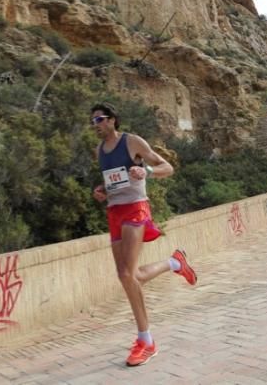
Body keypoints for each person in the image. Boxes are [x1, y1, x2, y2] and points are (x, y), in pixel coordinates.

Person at [91, 102, 197, 367]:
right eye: (93, 121)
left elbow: (167, 167)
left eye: (101, 119)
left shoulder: (132, 142)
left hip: (135, 209)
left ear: (113, 120)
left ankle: (146, 341)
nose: (97, 125)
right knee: (128, 275)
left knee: (127, 274)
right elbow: (113, 181)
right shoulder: (99, 151)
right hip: (114, 211)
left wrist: (146, 170)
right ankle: (175, 263)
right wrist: (102, 191)